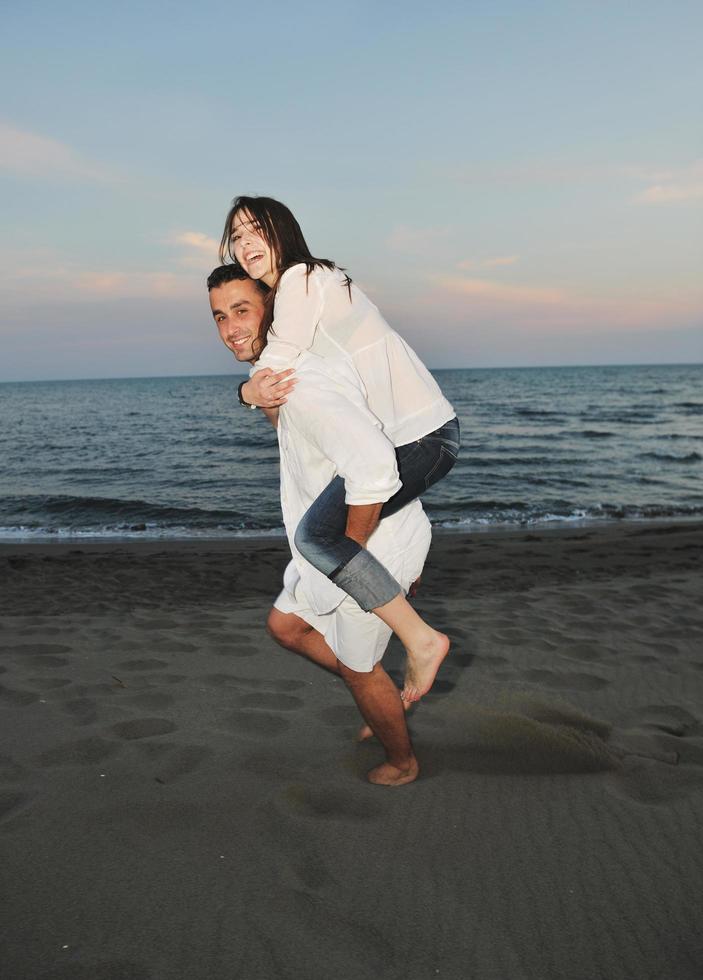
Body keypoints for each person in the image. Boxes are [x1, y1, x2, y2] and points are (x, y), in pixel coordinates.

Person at [219, 195, 459, 702]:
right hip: (415, 436)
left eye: (253, 230)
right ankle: (392, 606)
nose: (244, 243)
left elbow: (273, 364)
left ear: (282, 230)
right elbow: (290, 400)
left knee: (320, 536)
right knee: (327, 539)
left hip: (421, 436)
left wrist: (244, 391)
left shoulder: (302, 280)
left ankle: (421, 639)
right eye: (235, 236)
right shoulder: (307, 291)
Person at [207, 264, 432, 785]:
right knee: (287, 627)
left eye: (243, 310)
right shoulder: (278, 375)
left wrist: (348, 561)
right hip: (333, 542)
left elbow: (376, 469)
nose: (230, 328)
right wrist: (250, 393)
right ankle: (377, 693)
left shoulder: (303, 377)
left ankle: (402, 761)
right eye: (220, 316)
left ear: (277, 312)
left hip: (371, 541)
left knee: (358, 668)